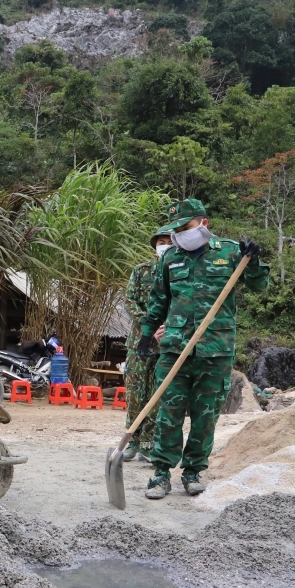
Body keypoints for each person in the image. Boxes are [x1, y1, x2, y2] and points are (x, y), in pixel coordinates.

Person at [136, 199, 268, 500]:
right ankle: (160, 474)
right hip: (174, 348)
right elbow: (158, 300)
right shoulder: (170, 258)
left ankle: (193, 472)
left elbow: (260, 284)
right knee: (168, 412)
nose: (181, 233)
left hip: (215, 350)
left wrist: (255, 259)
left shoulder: (231, 252)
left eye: (186, 226)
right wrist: (146, 334)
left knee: (205, 415)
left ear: (203, 223)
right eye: (176, 229)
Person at [122, 224, 174, 463]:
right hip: (139, 343)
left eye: (169, 242)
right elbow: (130, 302)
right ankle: (132, 440)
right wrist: (150, 327)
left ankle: (148, 443)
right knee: (135, 393)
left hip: (168, 343)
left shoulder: (180, 272)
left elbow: (183, 304)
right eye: (161, 242)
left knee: (157, 394)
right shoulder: (141, 271)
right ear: (155, 246)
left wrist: (168, 328)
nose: (165, 246)